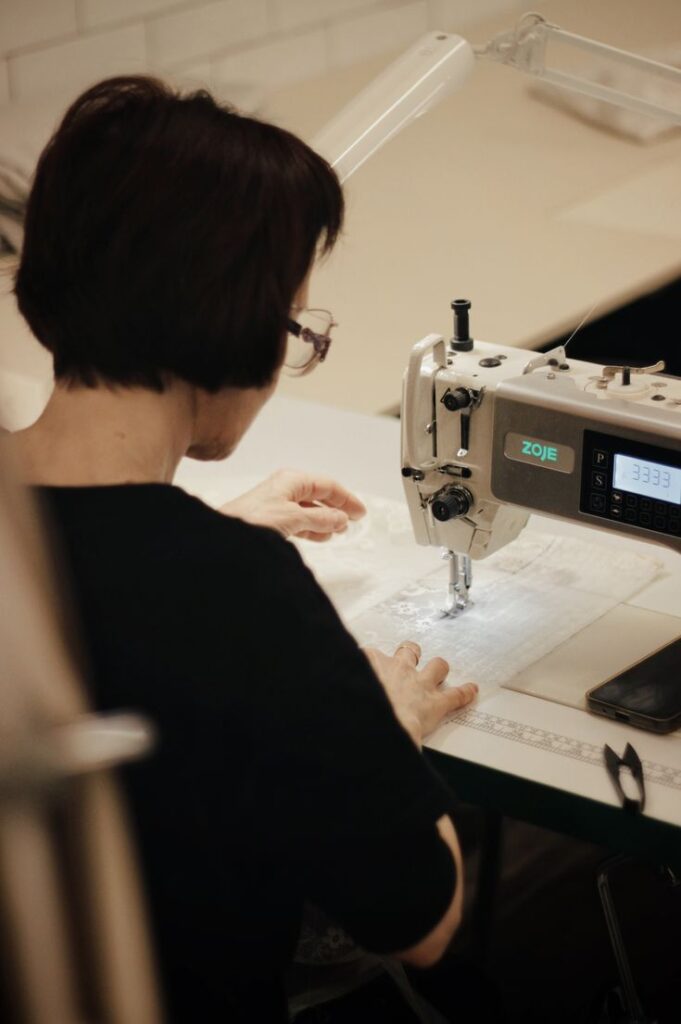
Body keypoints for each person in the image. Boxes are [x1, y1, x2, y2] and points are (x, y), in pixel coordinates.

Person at [10, 77, 478, 1022]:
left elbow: (92, 565)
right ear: (233, 321)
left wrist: (205, 526)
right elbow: (421, 920)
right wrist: (387, 725)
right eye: (295, 327)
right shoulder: (236, 590)